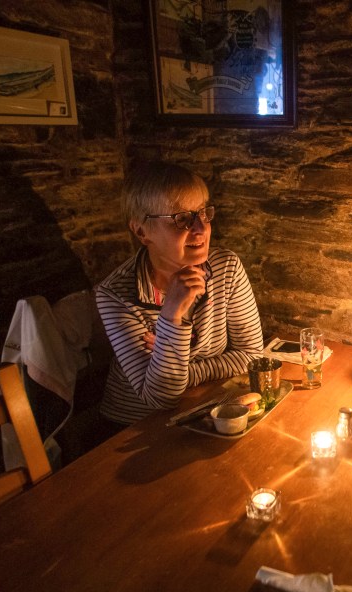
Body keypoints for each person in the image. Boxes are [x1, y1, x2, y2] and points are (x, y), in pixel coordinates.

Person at [96, 161, 264, 425]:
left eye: (203, 213)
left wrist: (182, 369)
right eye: (182, 219)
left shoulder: (226, 268)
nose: (201, 228)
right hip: (134, 427)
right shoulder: (114, 294)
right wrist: (171, 316)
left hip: (205, 408)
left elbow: (253, 355)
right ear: (142, 231)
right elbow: (159, 397)